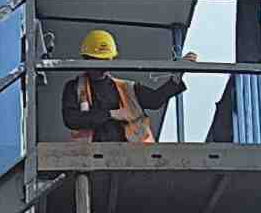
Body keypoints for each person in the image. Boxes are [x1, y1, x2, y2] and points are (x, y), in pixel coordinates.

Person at [62, 29, 197, 143]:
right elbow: (71, 119)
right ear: (86, 59)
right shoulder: (74, 88)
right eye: (97, 61)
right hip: (90, 157)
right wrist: (111, 114)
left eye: (106, 61)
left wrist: (176, 77)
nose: (102, 67)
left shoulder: (127, 88)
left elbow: (155, 100)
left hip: (131, 155)